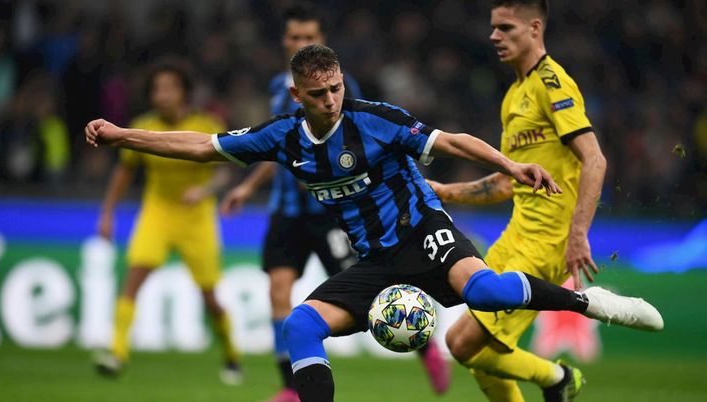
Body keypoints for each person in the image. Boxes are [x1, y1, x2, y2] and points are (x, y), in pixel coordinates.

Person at [84, 44, 663, 402]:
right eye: (319, 94)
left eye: (336, 88)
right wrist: (121, 136)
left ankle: (593, 303)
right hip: (378, 262)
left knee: (484, 292)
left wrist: (510, 165)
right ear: (297, 95)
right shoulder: (282, 138)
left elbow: (450, 139)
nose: (331, 101)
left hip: (425, 233)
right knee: (300, 327)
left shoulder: (376, 120)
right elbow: (201, 146)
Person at [220, 5, 449, 401]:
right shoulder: (279, 88)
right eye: (294, 37)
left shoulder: (340, 88)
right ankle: (290, 387)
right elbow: (275, 146)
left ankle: (424, 345)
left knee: (375, 294)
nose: (300, 43)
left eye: (308, 37)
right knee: (278, 290)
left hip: (334, 212)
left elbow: (360, 143)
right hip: (286, 210)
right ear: (284, 41)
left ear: (322, 41)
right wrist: (248, 185)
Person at [428, 1, 608, 401]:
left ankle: (558, 377)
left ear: (534, 28)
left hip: (546, 243)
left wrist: (578, 234)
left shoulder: (552, 83)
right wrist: (444, 191)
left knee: (462, 343)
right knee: (479, 352)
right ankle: (555, 380)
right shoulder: (514, 95)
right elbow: (509, 183)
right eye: (494, 27)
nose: (494, 36)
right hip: (515, 236)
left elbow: (595, 159)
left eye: (506, 27)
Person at [92, 59, 243, 385]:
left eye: (170, 88)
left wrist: (203, 190)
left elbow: (224, 172)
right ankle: (117, 352)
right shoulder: (142, 125)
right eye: (157, 89)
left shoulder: (206, 123)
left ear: (184, 92)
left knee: (210, 297)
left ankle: (231, 353)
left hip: (196, 218)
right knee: (134, 278)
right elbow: (124, 171)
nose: (163, 95)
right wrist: (107, 213)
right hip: (157, 211)